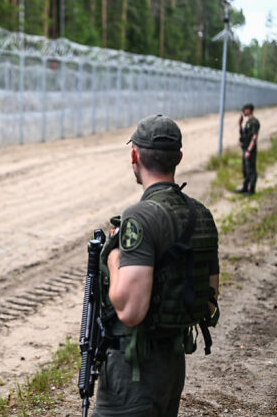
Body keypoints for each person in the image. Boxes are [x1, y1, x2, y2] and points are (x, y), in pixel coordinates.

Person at [93, 115, 220, 417]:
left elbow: (131, 311)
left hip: (134, 372)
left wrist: (113, 259)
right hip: (172, 366)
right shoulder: (200, 214)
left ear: (134, 156)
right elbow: (211, 298)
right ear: (178, 158)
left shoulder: (139, 218)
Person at [237, 103, 260, 195]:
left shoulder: (254, 122)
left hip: (250, 150)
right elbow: (243, 134)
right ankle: (245, 187)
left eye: (245, 110)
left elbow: (254, 137)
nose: (243, 112)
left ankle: (252, 189)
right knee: (245, 169)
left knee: (251, 169)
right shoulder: (248, 122)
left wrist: (249, 150)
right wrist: (240, 124)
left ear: (249, 110)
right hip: (245, 148)